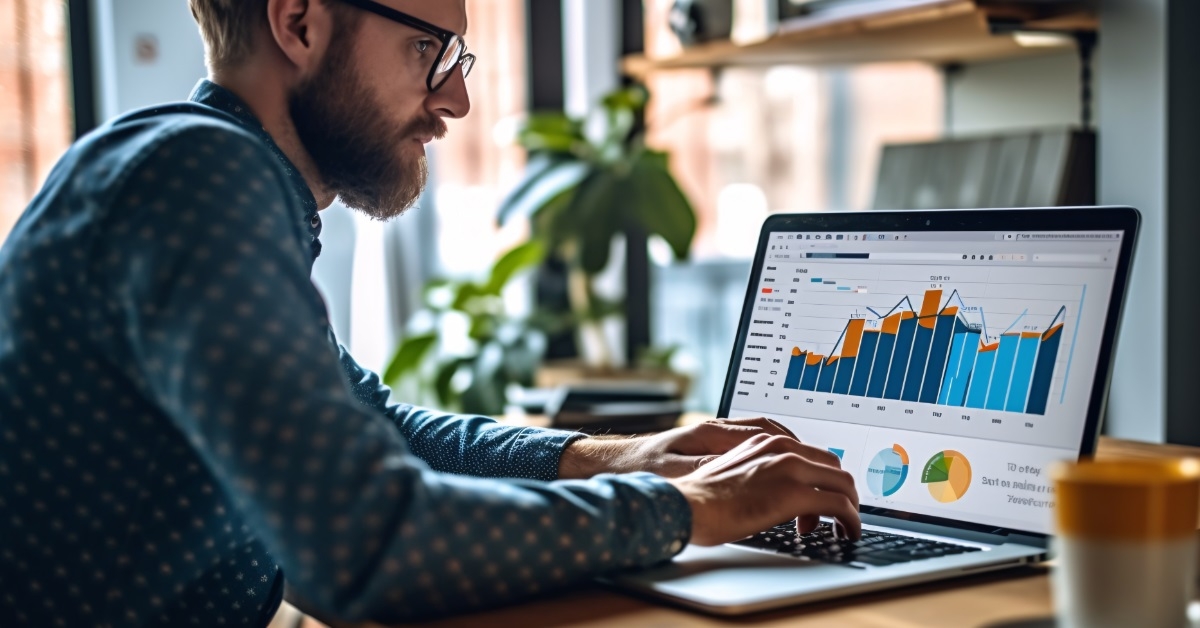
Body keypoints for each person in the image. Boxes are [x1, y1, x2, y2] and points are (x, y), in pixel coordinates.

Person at [0, 0, 860, 625]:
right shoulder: (196, 181)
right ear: (298, 21)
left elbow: (382, 431)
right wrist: (690, 511)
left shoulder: (196, 170)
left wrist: (629, 456)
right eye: (426, 49)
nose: (456, 101)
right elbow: (364, 546)